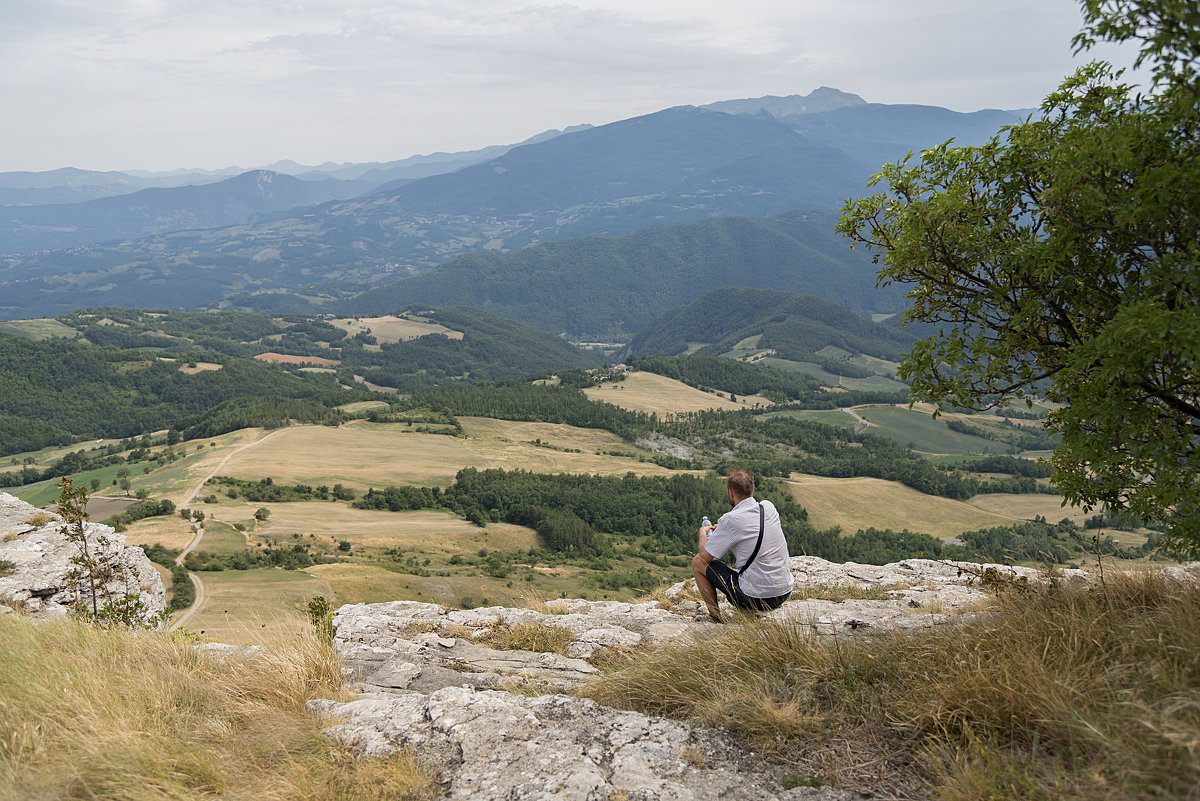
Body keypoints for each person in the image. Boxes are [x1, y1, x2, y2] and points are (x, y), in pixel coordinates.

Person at [692, 469, 794, 622]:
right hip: (784, 592)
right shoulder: (768, 507)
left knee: (697, 562)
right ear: (752, 489)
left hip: (754, 598)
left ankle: (715, 617)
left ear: (730, 493)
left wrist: (702, 535)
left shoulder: (729, 520)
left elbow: (705, 557)